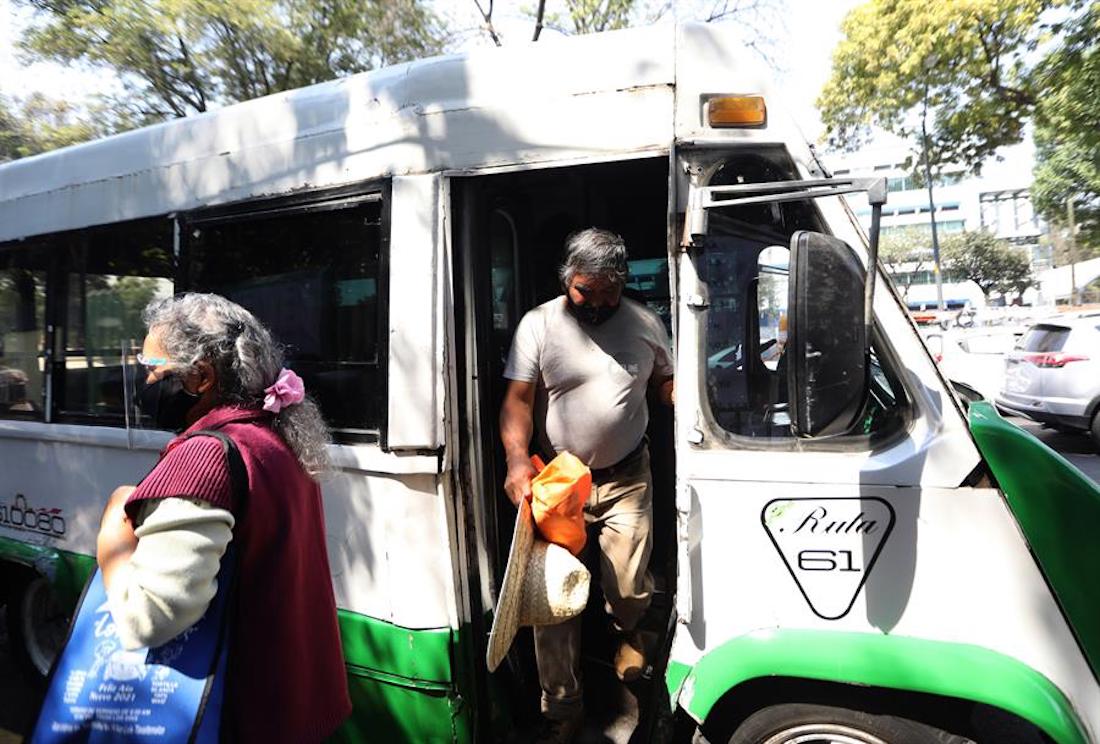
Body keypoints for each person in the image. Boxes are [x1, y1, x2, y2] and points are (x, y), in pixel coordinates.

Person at [95, 293, 351, 743]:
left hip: (240, 718)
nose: (145, 380)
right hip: (298, 709)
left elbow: (148, 619)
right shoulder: (275, 437)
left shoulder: (204, 458)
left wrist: (111, 532)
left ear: (200, 377)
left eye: (152, 368)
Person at [499, 228, 674, 743]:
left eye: (607, 292)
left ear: (622, 283)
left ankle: (628, 630)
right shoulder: (539, 324)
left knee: (628, 586)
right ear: (566, 281)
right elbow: (517, 401)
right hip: (559, 484)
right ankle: (563, 709)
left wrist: (679, 393)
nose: (596, 304)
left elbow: (664, 382)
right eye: (585, 292)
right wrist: (515, 462)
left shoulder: (645, 322)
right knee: (551, 602)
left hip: (626, 477)